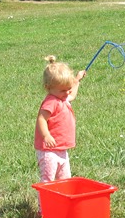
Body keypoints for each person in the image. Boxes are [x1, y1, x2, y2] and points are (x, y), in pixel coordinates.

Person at [34, 56, 86, 184]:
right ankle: (45, 204)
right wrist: (46, 135)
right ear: (48, 88)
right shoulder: (51, 102)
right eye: (63, 90)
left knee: (64, 180)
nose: (67, 92)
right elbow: (41, 119)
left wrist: (77, 80)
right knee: (48, 181)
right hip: (49, 151)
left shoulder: (62, 97)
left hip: (61, 149)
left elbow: (72, 95)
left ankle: (62, 203)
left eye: (68, 88)